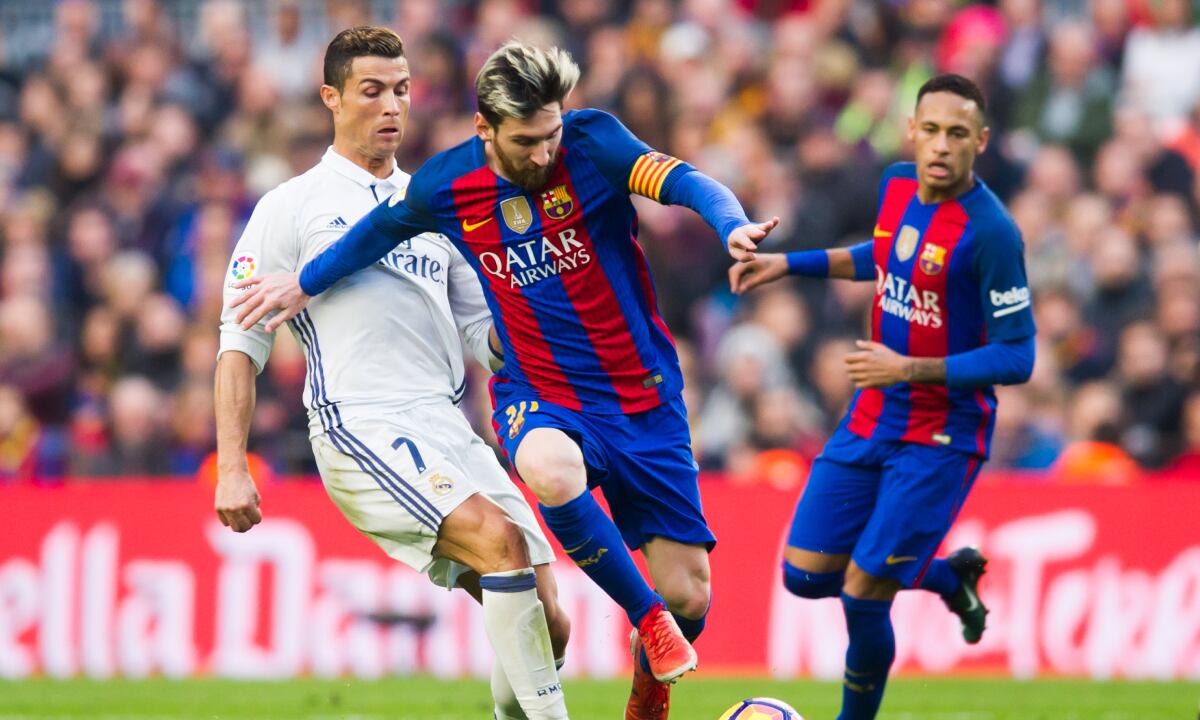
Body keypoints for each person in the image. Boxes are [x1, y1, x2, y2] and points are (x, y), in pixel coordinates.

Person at [229, 41, 778, 720]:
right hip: (541, 392)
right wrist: (304, 283)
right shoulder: (447, 185)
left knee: (690, 596)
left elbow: (689, 182)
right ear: (484, 128)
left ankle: (649, 681)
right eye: (526, 141)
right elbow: (371, 237)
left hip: (642, 396)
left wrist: (731, 225)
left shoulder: (595, 142)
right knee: (548, 472)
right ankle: (648, 619)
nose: (544, 154)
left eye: (551, 134)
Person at [212, 27, 570, 720]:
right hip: (359, 421)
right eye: (372, 91)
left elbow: (484, 337)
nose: (391, 107)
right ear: (331, 97)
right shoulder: (291, 206)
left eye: (401, 91)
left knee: (549, 622)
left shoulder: (434, 205)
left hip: (448, 425)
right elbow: (239, 342)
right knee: (499, 545)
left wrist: (537, 309)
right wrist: (232, 465)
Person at [729, 74, 1036, 720]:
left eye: (958, 134)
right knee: (805, 576)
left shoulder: (993, 233)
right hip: (873, 414)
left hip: (942, 434)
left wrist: (909, 368)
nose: (942, 145)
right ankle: (948, 576)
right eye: (932, 130)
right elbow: (884, 254)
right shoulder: (896, 185)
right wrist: (788, 263)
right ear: (911, 131)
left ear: (981, 142)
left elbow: (1018, 356)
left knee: (864, 592)